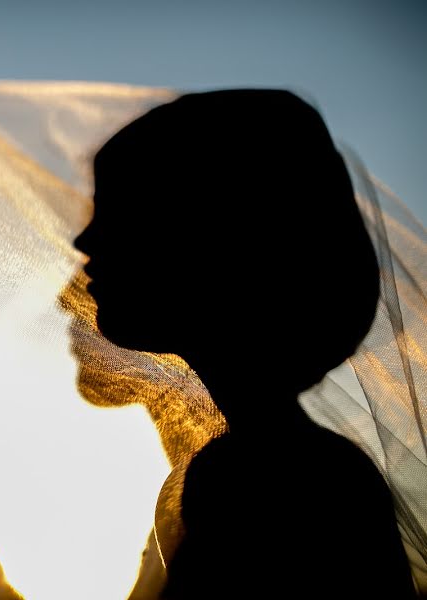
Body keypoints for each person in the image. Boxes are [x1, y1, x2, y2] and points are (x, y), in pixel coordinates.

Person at [74, 89, 416, 598]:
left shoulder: (272, 481)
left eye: (121, 212)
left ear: (213, 237)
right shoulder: (292, 464)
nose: (85, 242)